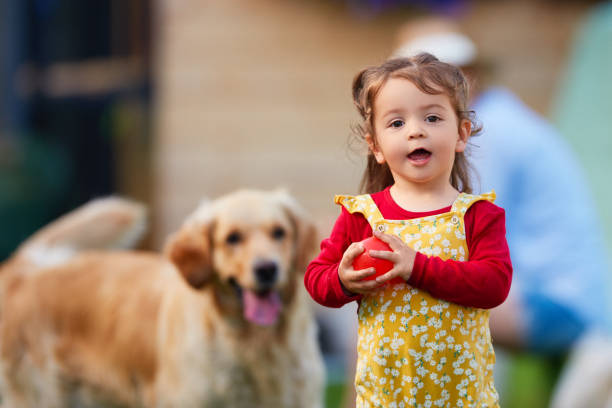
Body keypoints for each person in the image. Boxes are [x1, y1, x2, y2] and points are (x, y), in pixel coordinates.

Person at [392, 18, 611, 354]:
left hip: (559, 304)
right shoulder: (493, 118)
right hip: (549, 292)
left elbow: (459, 234)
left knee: (401, 296)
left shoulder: (485, 133)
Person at [305, 53, 512, 407]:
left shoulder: (477, 215)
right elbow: (316, 279)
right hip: (386, 395)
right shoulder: (363, 216)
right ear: (376, 146)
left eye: (432, 117)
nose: (415, 130)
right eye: (396, 123)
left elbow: (494, 284)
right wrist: (342, 280)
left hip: (461, 397)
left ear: (461, 133)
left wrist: (418, 267)